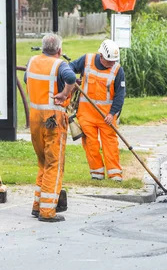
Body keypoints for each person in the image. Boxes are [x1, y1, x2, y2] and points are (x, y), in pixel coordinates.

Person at [25, 34, 76, 222]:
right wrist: (64, 93)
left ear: (42, 47)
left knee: (43, 162)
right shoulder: (60, 65)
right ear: (59, 50)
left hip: (35, 119)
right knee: (54, 164)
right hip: (52, 120)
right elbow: (71, 78)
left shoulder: (32, 62)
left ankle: (37, 206)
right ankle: (47, 212)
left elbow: (26, 79)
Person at [70, 39, 126, 181]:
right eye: (109, 61)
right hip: (86, 114)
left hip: (107, 116)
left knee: (110, 144)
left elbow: (120, 95)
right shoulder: (86, 60)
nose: (112, 63)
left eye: (114, 61)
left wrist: (112, 113)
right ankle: (97, 173)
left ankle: (115, 174)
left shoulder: (117, 70)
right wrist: (71, 79)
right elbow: (70, 68)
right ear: (101, 56)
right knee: (90, 144)